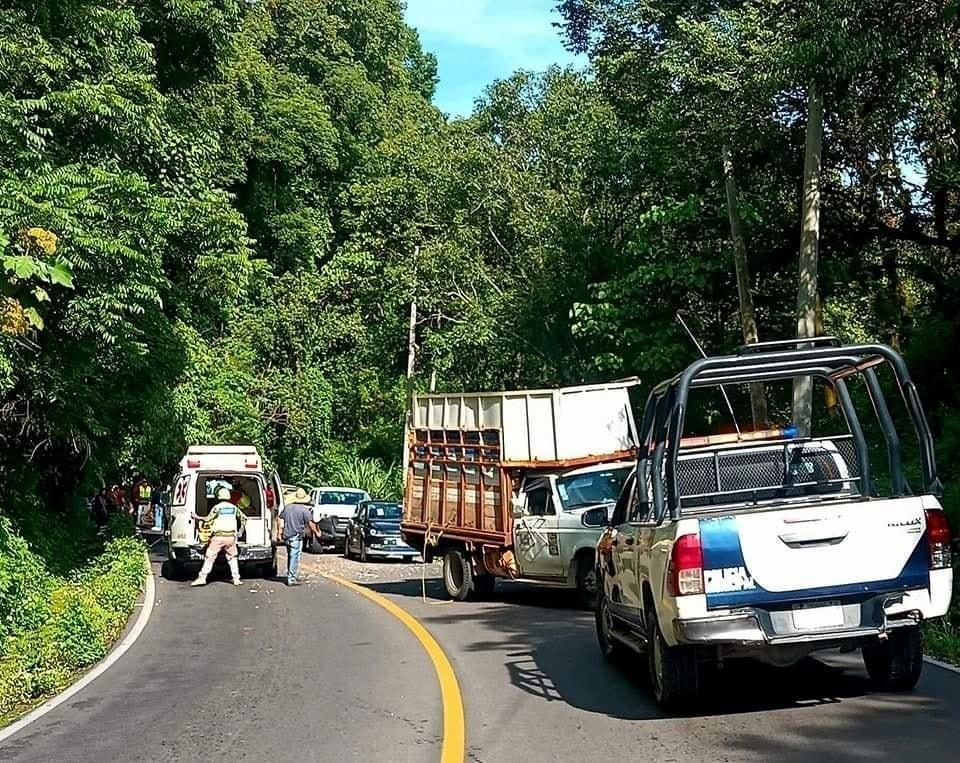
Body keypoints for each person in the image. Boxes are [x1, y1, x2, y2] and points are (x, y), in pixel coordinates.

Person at [191, 487, 246, 587]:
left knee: (209, 556)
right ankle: (236, 578)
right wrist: (240, 531)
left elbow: (208, 519)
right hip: (231, 537)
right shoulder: (234, 507)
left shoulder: (217, 508)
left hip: (218, 536)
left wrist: (197, 517)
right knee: (232, 558)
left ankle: (202, 577)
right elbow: (244, 518)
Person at [278, 487, 320, 586]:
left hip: (287, 535)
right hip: (296, 536)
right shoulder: (305, 511)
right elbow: (311, 524)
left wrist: (280, 532)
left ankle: (291, 575)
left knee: (290, 556)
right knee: (294, 557)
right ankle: (291, 578)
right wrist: (317, 532)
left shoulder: (288, 508)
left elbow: (279, 519)